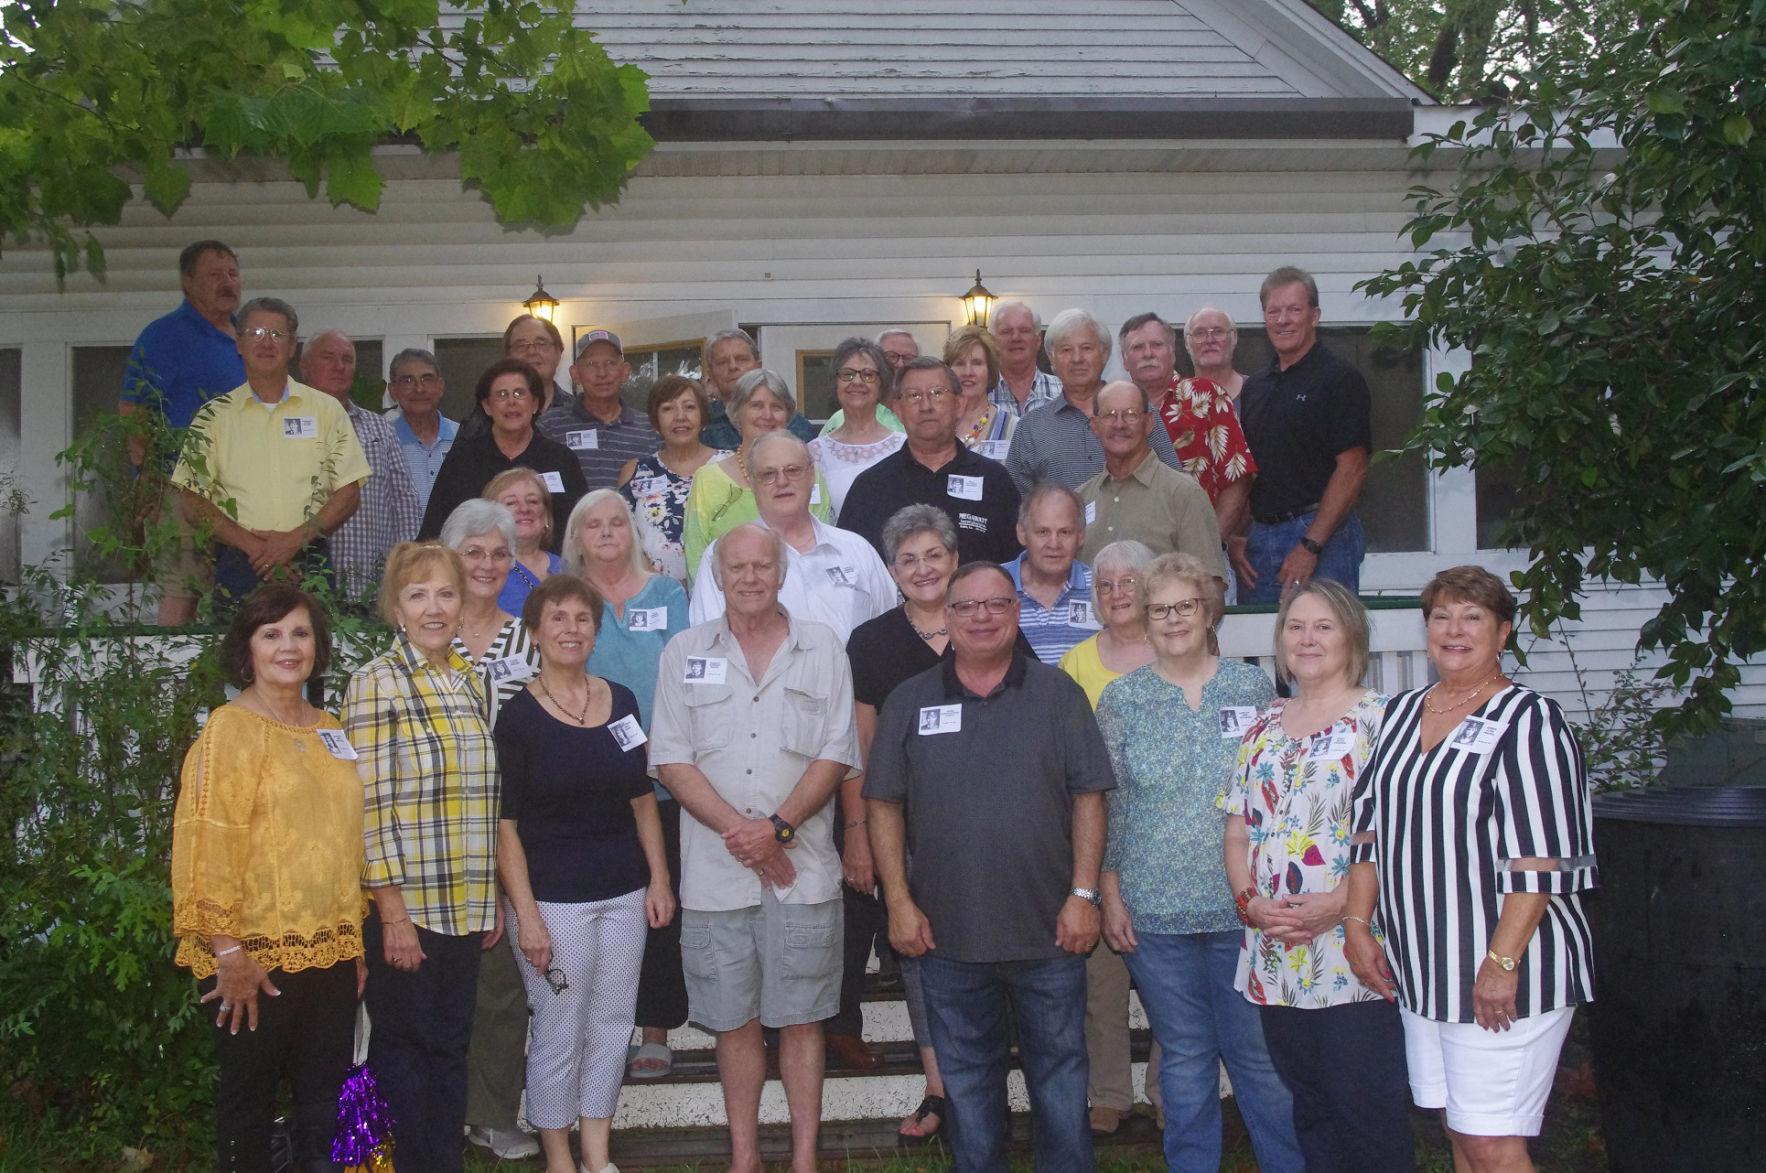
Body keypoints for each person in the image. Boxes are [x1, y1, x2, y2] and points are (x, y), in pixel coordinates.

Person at [864, 561, 1115, 1173]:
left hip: (1050, 934)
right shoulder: (910, 700)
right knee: (969, 1087)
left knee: (1061, 1081)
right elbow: (883, 804)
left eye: (997, 604)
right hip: (947, 938)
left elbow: (1089, 796)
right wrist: (898, 902)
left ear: (1016, 613)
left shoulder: (1059, 695)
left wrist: (1084, 895)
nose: (982, 616)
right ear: (948, 618)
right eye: (967, 606)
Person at [1345, 565, 1596, 1173]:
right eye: (1442, 616)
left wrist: (1501, 963)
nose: (1454, 630)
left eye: (1472, 617)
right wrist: (1356, 924)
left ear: (1503, 632)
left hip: (1508, 967)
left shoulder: (1530, 720)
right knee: (1458, 1128)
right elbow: (1369, 828)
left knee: (1491, 1141)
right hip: (1426, 968)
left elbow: (1540, 856)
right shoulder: (1401, 713)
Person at [650, 523, 862, 1173]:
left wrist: (779, 829)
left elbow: (837, 752)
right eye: (736, 567)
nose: (749, 577)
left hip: (803, 871)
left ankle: (804, 1159)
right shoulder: (683, 651)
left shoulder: (823, 648)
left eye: (761, 566)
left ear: (781, 573)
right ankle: (745, 1157)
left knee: (802, 1018)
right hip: (716, 875)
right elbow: (671, 759)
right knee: (733, 1019)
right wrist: (745, 835)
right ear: (716, 577)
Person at [1095, 553, 1303, 1173]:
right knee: (1185, 1057)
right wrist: (1110, 893)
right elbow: (1108, 803)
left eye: (1185, 606)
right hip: (1153, 913)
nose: (1173, 619)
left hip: (1243, 909)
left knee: (1257, 1058)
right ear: (1144, 619)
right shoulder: (1122, 699)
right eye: (1159, 609)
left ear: (1208, 611)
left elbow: (1276, 793)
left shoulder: (1252, 689)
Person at [1222, 579, 1414, 1172]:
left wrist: (1341, 903)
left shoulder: (1385, 722)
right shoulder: (1263, 726)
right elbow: (1237, 830)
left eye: (1323, 627)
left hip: (1354, 950)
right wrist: (1250, 902)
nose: (1307, 639)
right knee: (1310, 1108)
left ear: (1351, 637)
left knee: (1366, 1110)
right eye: (1296, 626)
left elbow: (1403, 835)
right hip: (1277, 951)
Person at [171, 583, 362, 1171]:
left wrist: (354, 942)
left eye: (300, 633)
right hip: (253, 958)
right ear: (247, 648)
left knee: (324, 1106)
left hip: (330, 953)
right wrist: (228, 951)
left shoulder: (331, 729)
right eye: (271, 634)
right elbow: (205, 841)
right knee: (248, 1104)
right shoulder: (228, 731)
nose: (288, 646)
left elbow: (344, 843)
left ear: (317, 646)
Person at [496, 574, 675, 1173]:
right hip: (553, 903)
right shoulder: (517, 719)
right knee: (559, 1027)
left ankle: (597, 1155)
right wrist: (526, 916)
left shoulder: (621, 701)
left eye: (582, 619)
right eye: (558, 618)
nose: (571, 630)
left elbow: (642, 800)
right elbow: (505, 827)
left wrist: (659, 880)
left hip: (624, 893)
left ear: (596, 632)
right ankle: (559, 1159)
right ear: (534, 632)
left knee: (613, 1024)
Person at [344, 542, 500, 1173]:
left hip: (466, 904)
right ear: (396, 608)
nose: (433, 608)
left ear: (462, 604)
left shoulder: (473, 678)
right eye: (418, 595)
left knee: (449, 1049)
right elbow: (369, 806)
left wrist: (491, 897)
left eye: (445, 594)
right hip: (408, 908)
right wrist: (392, 914)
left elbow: (483, 802)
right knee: (402, 1055)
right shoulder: (375, 682)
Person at [561, 490, 692, 1080]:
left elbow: (684, 677)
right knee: (595, 906)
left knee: (660, 903)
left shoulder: (665, 593)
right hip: (587, 776)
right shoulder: (567, 599)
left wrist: (666, 750)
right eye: (594, 524)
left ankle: (655, 1028)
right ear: (577, 537)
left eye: (618, 521)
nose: (608, 531)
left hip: (662, 775)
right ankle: (592, 1030)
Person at [439, 499, 543, 1161]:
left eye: (498, 553)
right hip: (437, 834)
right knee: (437, 984)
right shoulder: (425, 631)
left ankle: (494, 1113)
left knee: (501, 986)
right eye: (472, 552)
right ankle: (436, 1111)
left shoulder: (528, 639)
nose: (485, 564)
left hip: (512, 830)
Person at [170, 297, 370, 614]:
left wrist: (293, 542)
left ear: (292, 347)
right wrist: (257, 549)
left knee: (313, 644)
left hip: (308, 559)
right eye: (256, 332)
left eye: (277, 334)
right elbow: (192, 499)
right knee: (237, 646)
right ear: (239, 344)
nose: (266, 342)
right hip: (240, 561)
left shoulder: (326, 410)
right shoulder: (213, 417)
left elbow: (348, 493)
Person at [1055, 540, 1159, 1137]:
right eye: (1104, 585)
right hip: (1096, 835)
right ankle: (1110, 1093)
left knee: (1170, 979)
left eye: (1128, 582)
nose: (1116, 594)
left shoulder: (1178, 649)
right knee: (1101, 983)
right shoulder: (1075, 663)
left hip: (1167, 839)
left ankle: (1171, 1091)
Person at [120, 240, 245, 625]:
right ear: (187, 282)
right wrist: (147, 479)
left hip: (242, 491)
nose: (227, 282)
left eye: (233, 273)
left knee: (241, 593)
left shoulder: (246, 335)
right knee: (183, 591)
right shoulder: (166, 335)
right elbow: (134, 411)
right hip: (179, 486)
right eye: (215, 274)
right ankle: (169, 668)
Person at [1238, 266, 1372, 601]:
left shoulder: (1339, 379)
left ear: (1315, 316)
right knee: (1260, 635)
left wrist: (1310, 545)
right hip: (1261, 539)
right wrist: (1238, 536)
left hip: (1321, 538)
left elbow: (1353, 469)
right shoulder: (1255, 387)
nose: (1283, 320)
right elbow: (1250, 472)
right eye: (1274, 311)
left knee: (1325, 631)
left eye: (1294, 310)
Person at [691, 433, 894, 643]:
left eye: (793, 470)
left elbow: (890, 630)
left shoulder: (857, 549)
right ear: (751, 482)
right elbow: (711, 642)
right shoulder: (724, 556)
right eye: (768, 474)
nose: (782, 481)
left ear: (812, 475)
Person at [837, 357, 1022, 566]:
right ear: (898, 409)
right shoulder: (870, 487)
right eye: (914, 396)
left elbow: (1017, 566)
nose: (926, 406)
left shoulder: (994, 481)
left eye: (937, 393)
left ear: (959, 404)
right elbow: (850, 567)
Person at [300, 329, 423, 606]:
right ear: (304, 366)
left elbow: (404, 502)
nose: (339, 366)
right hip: (305, 584)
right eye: (328, 357)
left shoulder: (379, 428)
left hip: (372, 588)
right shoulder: (290, 427)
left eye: (347, 360)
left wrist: (405, 569)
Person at [1005, 308, 1185, 495]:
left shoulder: (1139, 412)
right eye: (1066, 350)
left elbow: (1175, 488)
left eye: (1086, 348)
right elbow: (1015, 503)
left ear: (1104, 354)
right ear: (1052, 359)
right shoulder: (1031, 428)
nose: (1077, 359)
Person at [681, 368, 833, 580]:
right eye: (756, 406)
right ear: (736, 413)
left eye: (776, 407)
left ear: (788, 416)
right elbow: (697, 561)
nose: (767, 415)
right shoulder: (707, 480)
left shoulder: (809, 473)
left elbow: (825, 544)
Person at [1120, 312, 1254, 548]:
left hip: (1199, 549)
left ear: (1172, 353)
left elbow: (1237, 478)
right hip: (1131, 553)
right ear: (1124, 359)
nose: (1148, 354)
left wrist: (1209, 543)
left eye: (1157, 345)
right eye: (1137, 347)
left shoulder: (1206, 395)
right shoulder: (1114, 410)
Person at [418, 358, 588, 544]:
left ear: (534, 404)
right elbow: (433, 531)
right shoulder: (462, 459)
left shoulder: (561, 459)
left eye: (519, 393)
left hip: (548, 561)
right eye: (501, 395)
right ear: (487, 406)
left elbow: (580, 529)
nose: (511, 402)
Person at [1076, 381, 1227, 586]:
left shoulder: (1183, 493)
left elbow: (1209, 589)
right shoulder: (1080, 499)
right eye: (1109, 415)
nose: (1119, 424)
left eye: (1130, 414)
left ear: (1148, 423)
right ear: (1095, 426)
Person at [617, 374, 728, 585]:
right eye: (668, 408)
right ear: (655, 421)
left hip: (721, 590)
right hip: (655, 592)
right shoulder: (635, 471)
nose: (680, 417)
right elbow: (621, 536)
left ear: (703, 417)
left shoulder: (729, 466)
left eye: (689, 407)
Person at [538, 329, 663, 490]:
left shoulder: (650, 429)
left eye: (610, 363)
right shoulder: (550, 426)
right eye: (591, 364)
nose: (602, 373)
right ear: (575, 374)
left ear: (625, 372)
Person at [808, 337, 906, 515]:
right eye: (847, 374)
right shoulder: (814, 453)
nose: (857, 382)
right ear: (835, 383)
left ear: (881, 384)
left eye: (868, 375)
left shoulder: (904, 447)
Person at [1007, 485, 1096, 665]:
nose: (1053, 544)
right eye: (1043, 532)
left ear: (1081, 536)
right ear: (1022, 533)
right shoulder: (992, 586)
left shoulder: (1102, 589)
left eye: (1064, 532)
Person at [699, 328, 818, 449]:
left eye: (741, 359)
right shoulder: (701, 422)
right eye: (723, 362)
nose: (733, 366)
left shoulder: (794, 424)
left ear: (759, 366)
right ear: (711, 374)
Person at [483, 467, 564, 618]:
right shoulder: (485, 571)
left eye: (533, 501)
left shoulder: (568, 568)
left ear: (546, 516)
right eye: (511, 503)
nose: (524, 509)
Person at [385, 347, 458, 514]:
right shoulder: (382, 443)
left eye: (427, 379)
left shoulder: (463, 438)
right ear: (393, 391)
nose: (419, 388)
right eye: (408, 380)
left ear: (440, 386)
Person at [944, 325, 1015, 462]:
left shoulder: (1013, 428)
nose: (968, 372)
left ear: (990, 371)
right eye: (960, 363)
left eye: (977, 363)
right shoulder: (935, 424)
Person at [988, 300, 1062, 419]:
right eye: (1006, 331)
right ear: (992, 341)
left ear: (1038, 340)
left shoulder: (1063, 392)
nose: (1016, 338)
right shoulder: (980, 395)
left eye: (1024, 331)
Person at [1183, 306, 1248, 404]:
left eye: (1218, 332)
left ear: (1234, 338)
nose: (1210, 340)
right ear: (1187, 343)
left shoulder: (1260, 392)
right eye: (1200, 333)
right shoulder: (1174, 401)